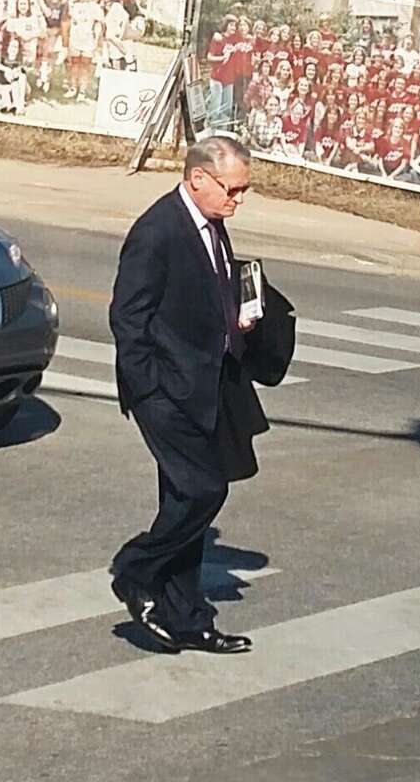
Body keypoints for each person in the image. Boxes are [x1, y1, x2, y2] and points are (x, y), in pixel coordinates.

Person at [109, 137, 271, 654]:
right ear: (198, 177)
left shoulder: (211, 225)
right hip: (165, 390)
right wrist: (148, 388)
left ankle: (187, 617)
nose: (238, 200)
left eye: (244, 191)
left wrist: (238, 318)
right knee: (205, 489)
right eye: (233, 189)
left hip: (207, 383)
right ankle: (136, 570)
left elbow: (208, 290)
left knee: (185, 499)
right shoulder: (157, 231)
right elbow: (127, 317)